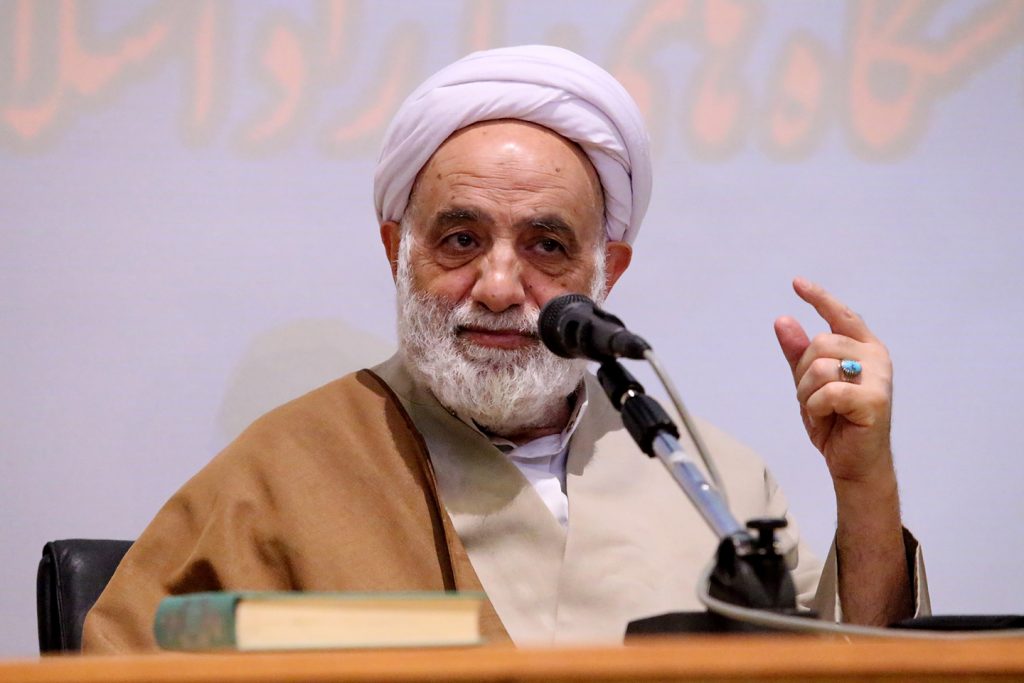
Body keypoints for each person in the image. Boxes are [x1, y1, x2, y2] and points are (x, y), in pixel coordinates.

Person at [83, 45, 927, 652]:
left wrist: (863, 482)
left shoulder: (712, 481)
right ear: (397, 251)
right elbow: (132, 658)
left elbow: (855, 665)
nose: (496, 286)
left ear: (607, 273)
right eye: (459, 239)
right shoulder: (284, 470)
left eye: (546, 246)